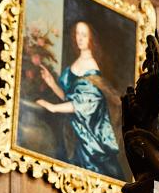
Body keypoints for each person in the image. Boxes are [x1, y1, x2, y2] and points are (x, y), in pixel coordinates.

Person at [35, 20, 125, 180]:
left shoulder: (91, 64)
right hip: (73, 130)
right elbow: (69, 98)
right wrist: (52, 83)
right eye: (77, 33)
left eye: (84, 34)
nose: (80, 38)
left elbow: (84, 104)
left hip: (88, 137)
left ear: (91, 39)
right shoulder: (76, 63)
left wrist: (53, 107)